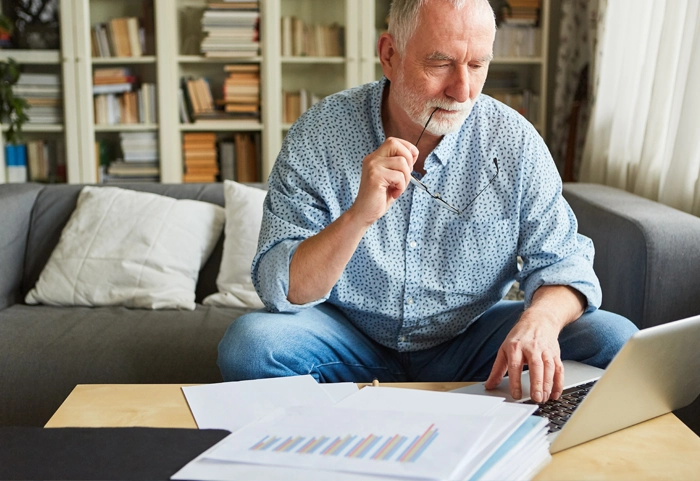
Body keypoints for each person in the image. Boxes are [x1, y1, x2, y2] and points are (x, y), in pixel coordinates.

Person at [218, 0, 638, 404]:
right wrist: (357, 218)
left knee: (613, 339)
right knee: (251, 347)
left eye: (477, 65)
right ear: (389, 54)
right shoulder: (321, 132)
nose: (461, 90)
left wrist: (541, 321)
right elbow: (281, 289)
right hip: (350, 341)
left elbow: (564, 262)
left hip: (472, 344)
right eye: (440, 63)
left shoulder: (515, 142)